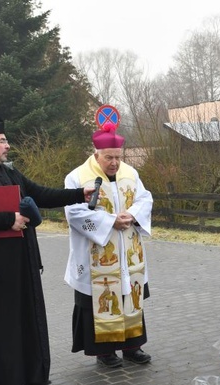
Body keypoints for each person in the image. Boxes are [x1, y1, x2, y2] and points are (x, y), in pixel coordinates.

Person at [0, 113, 95, 385]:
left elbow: (42, 194)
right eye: (3, 141)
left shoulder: (11, 173)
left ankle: (32, 375)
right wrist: (8, 219)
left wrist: (80, 193)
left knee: (27, 319)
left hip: (21, 264)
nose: (8, 145)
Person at [64, 124, 154, 368]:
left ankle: (133, 347)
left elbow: (145, 198)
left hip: (128, 250)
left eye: (118, 157)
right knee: (103, 298)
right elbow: (74, 213)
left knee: (129, 293)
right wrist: (109, 221)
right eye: (109, 158)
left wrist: (132, 215)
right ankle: (105, 351)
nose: (114, 162)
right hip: (98, 254)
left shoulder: (130, 173)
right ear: (96, 154)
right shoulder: (77, 177)